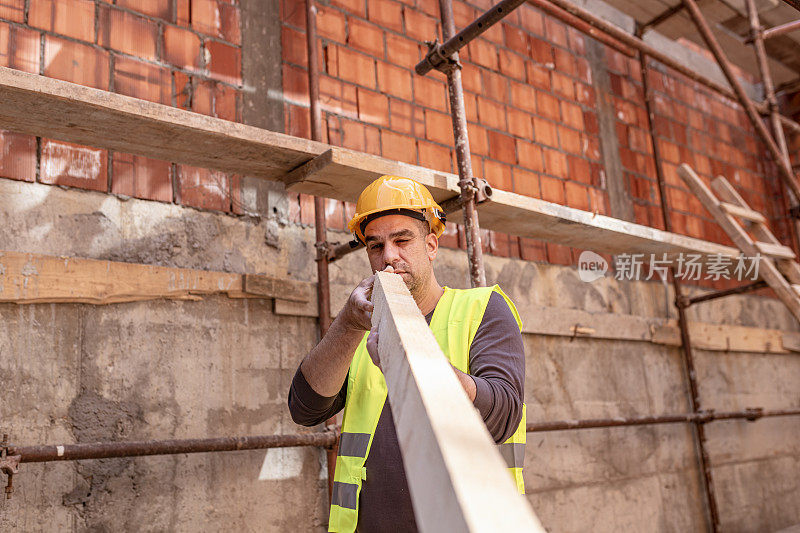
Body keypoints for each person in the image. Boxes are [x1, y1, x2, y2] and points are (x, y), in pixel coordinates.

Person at [288, 175, 526, 533]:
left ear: (431, 244)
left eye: (403, 240)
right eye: (375, 246)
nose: (389, 257)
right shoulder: (360, 328)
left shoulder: (483, 309)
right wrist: (349, 324)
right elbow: (304, 409)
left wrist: (419, 365)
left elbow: (503, 416)